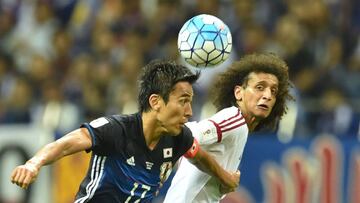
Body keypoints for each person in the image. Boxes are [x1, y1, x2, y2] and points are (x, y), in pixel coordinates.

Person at [10, 60, 240, 202]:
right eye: (183, 101)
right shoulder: (116, 130)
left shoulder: (179, 138)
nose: (189, 112)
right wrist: (33, 163)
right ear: (156, 101)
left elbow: (198, 154)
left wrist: (225, 177)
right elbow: (67, 143)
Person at [164, 53, 294, 202]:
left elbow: (188, 143)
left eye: (273, 91)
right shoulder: (234, 119)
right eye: (260, 87)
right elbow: (184, 138)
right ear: (239, 93)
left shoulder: (240, 129)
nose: (267, 95)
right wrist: (224, 177)